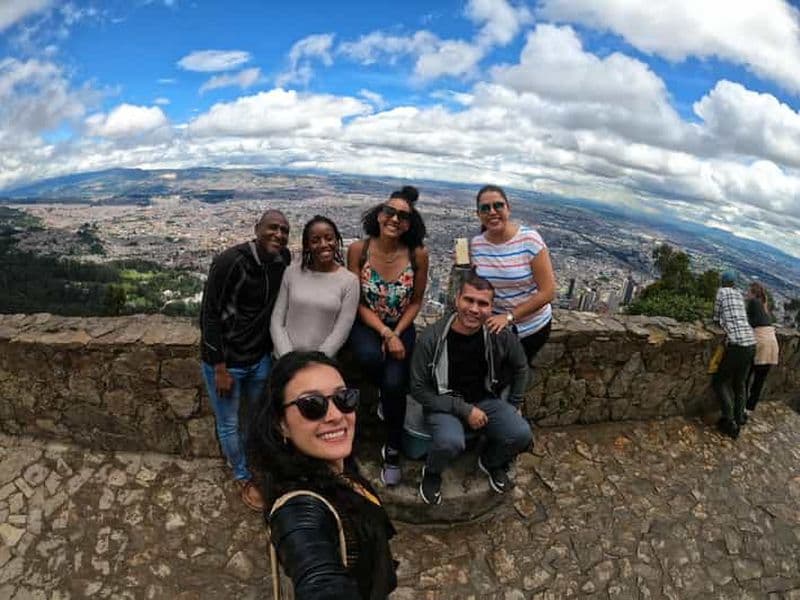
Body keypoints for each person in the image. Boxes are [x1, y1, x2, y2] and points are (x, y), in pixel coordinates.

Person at [249, 351, 397, 599]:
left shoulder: (337, 468)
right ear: (281, 424)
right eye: (312, 405)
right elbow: (318, 577)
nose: (336, 415)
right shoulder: (298, 509)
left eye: (343, 398)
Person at [410, 272, 532, 505]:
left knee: (520, 433)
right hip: (443, 402)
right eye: (469, 300)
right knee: (450, 441)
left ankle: (491, 461)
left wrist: (514, 404)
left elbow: (521, 367)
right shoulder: (432, 338)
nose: (474, 309)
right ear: (457, 299)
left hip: (485, 399)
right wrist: (464, 410)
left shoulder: (498, 335)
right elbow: (418, 389)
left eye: (482, 303)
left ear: (491, 307)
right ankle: (433, 472)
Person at [199, 209, 290, 511]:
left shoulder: (282, 260)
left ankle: (254, 463)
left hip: (259, 357)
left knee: (254, 417)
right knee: (228, 423)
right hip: (228, 362)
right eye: (272, 228)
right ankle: (241, 475)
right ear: (257, 229)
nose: (278, 234)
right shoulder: (231, 262)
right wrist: (219, 367)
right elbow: (209, 316)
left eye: (284, 230)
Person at [347, 186, 429, 486]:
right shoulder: (359, 250)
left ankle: (392, 447)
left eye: (404, 216)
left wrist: (396, 332)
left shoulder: (418, 254)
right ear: (378, 215)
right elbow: (356, 300)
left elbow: (417, 300)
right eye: (389, 211)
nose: (395, 219)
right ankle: (384, 398)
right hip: (368, 323)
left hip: (401, 324)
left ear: (411, 223)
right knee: (370, 356)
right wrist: (383, 332)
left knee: (395, 384)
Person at [469, 184, 556, 365]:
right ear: (478, 214)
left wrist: (509, 317)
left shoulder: (530, 240)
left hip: (531, 328)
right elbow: (478, 286)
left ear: (508, 208)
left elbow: (548, 292)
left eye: (498, 205)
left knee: (510, 378)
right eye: (485, 208)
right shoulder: (476, 244)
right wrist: (463, 268)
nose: (492, 211)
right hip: (494, 326)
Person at [271, 215, 360, 358]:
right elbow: (277, 320)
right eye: (315, 240)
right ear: (307, 245)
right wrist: (287, 358)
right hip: (284, 361)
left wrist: (318, 360)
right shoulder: (291, 272)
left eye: (329, 238)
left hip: (322, 365)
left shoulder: (349, 281)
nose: (324, 244)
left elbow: (342, 329)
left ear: (337, 241)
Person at [712, 271, 756, 439]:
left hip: (737, 345)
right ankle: (740, 417)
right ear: (734, 283)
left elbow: (716, 317)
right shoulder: (739, 295)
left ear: (723, 282)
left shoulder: (721, 292)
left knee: (720, 382)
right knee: (739, 383)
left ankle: (729, 421)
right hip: (751, 344)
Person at [745, 281, 779, 411]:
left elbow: (746, 321)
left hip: (762, 344)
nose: (746, 293)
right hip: (772, 345)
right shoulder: (764, 307)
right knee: (759, 380)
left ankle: (741, 406)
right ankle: (750, 408)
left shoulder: (753, 303)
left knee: (746, 376)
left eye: (748, 291)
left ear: (753, 293)